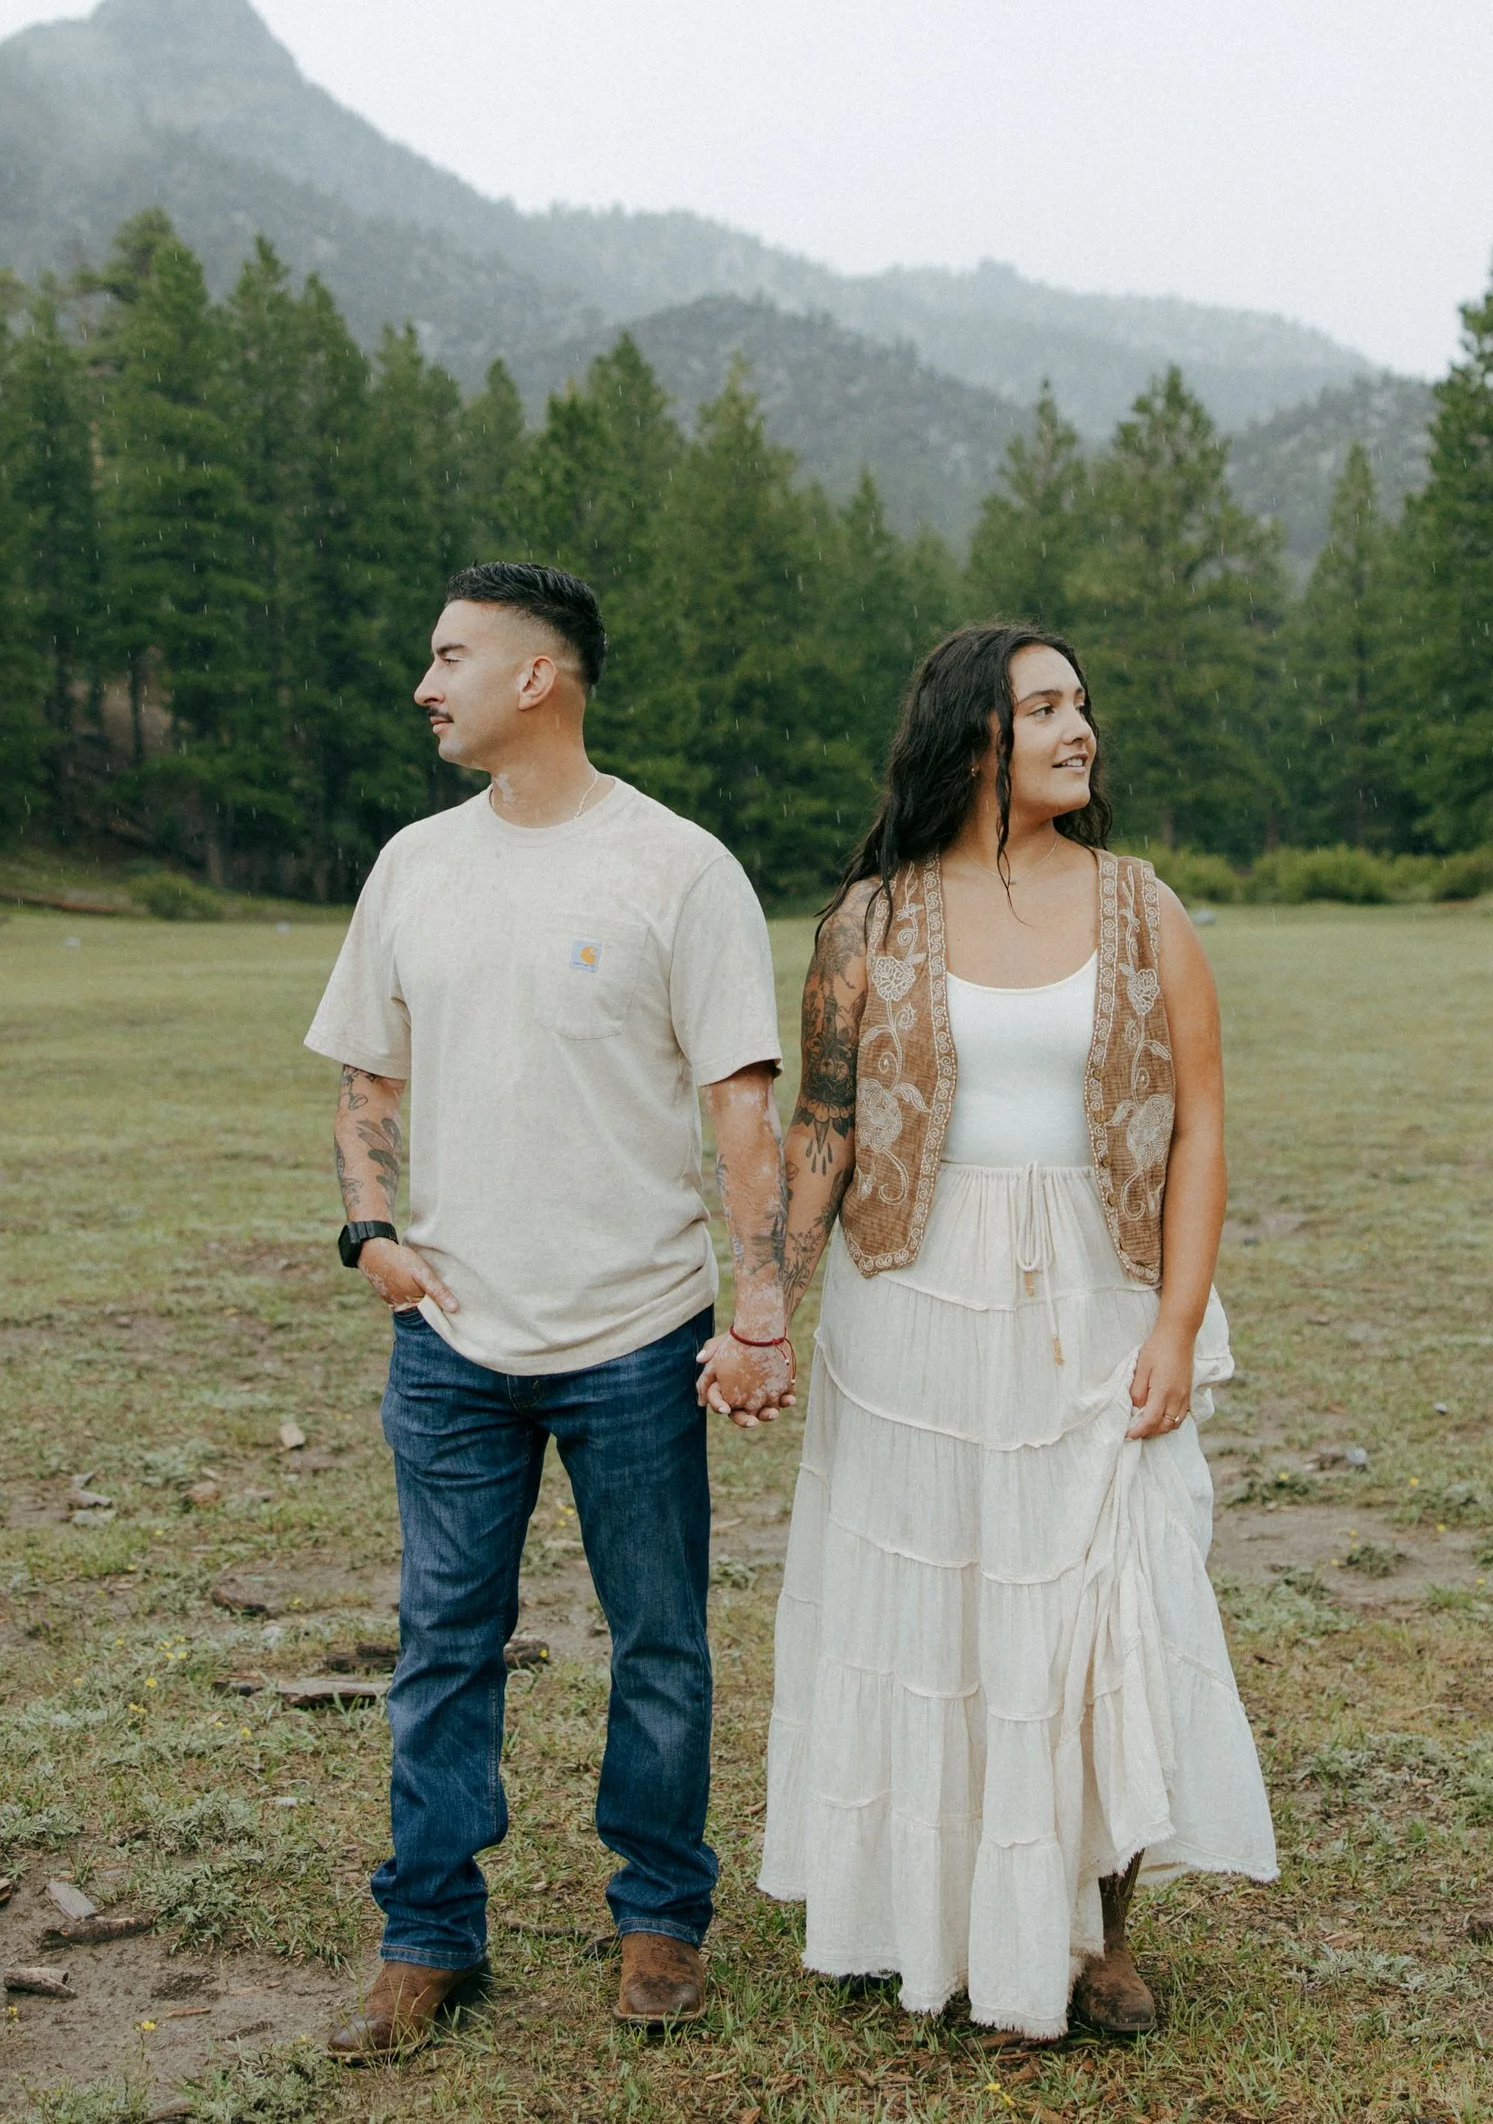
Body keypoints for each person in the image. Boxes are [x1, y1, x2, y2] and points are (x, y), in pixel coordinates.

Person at [760, 620, 1275, 2043]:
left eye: (1083, 703)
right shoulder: (870, 917)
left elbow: (1205, 1122)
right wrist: (764, 1309)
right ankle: (931, 1914)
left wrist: (1176, 1320)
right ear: (972, 733)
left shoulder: (1140, 904)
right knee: (944, 1603)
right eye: (1043, 704)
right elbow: (825, 1121)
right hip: (912, 1299)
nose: (1079, 726)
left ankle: (1101, 1938)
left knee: (1101, 1597)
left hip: (1096, 1296)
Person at [306, 561, 795, 2057]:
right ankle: (429, 1934)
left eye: (449, 654)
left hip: (639, 1332)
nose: (423, 682)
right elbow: (367, 1072)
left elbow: (742, 1107)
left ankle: (660, 1919)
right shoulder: (413, 863)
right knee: (443, 1637)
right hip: (449, 1335)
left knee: (659, 1639)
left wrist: (761, 1299)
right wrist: (370, 1230)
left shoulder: (679, 868)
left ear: (540, 677)